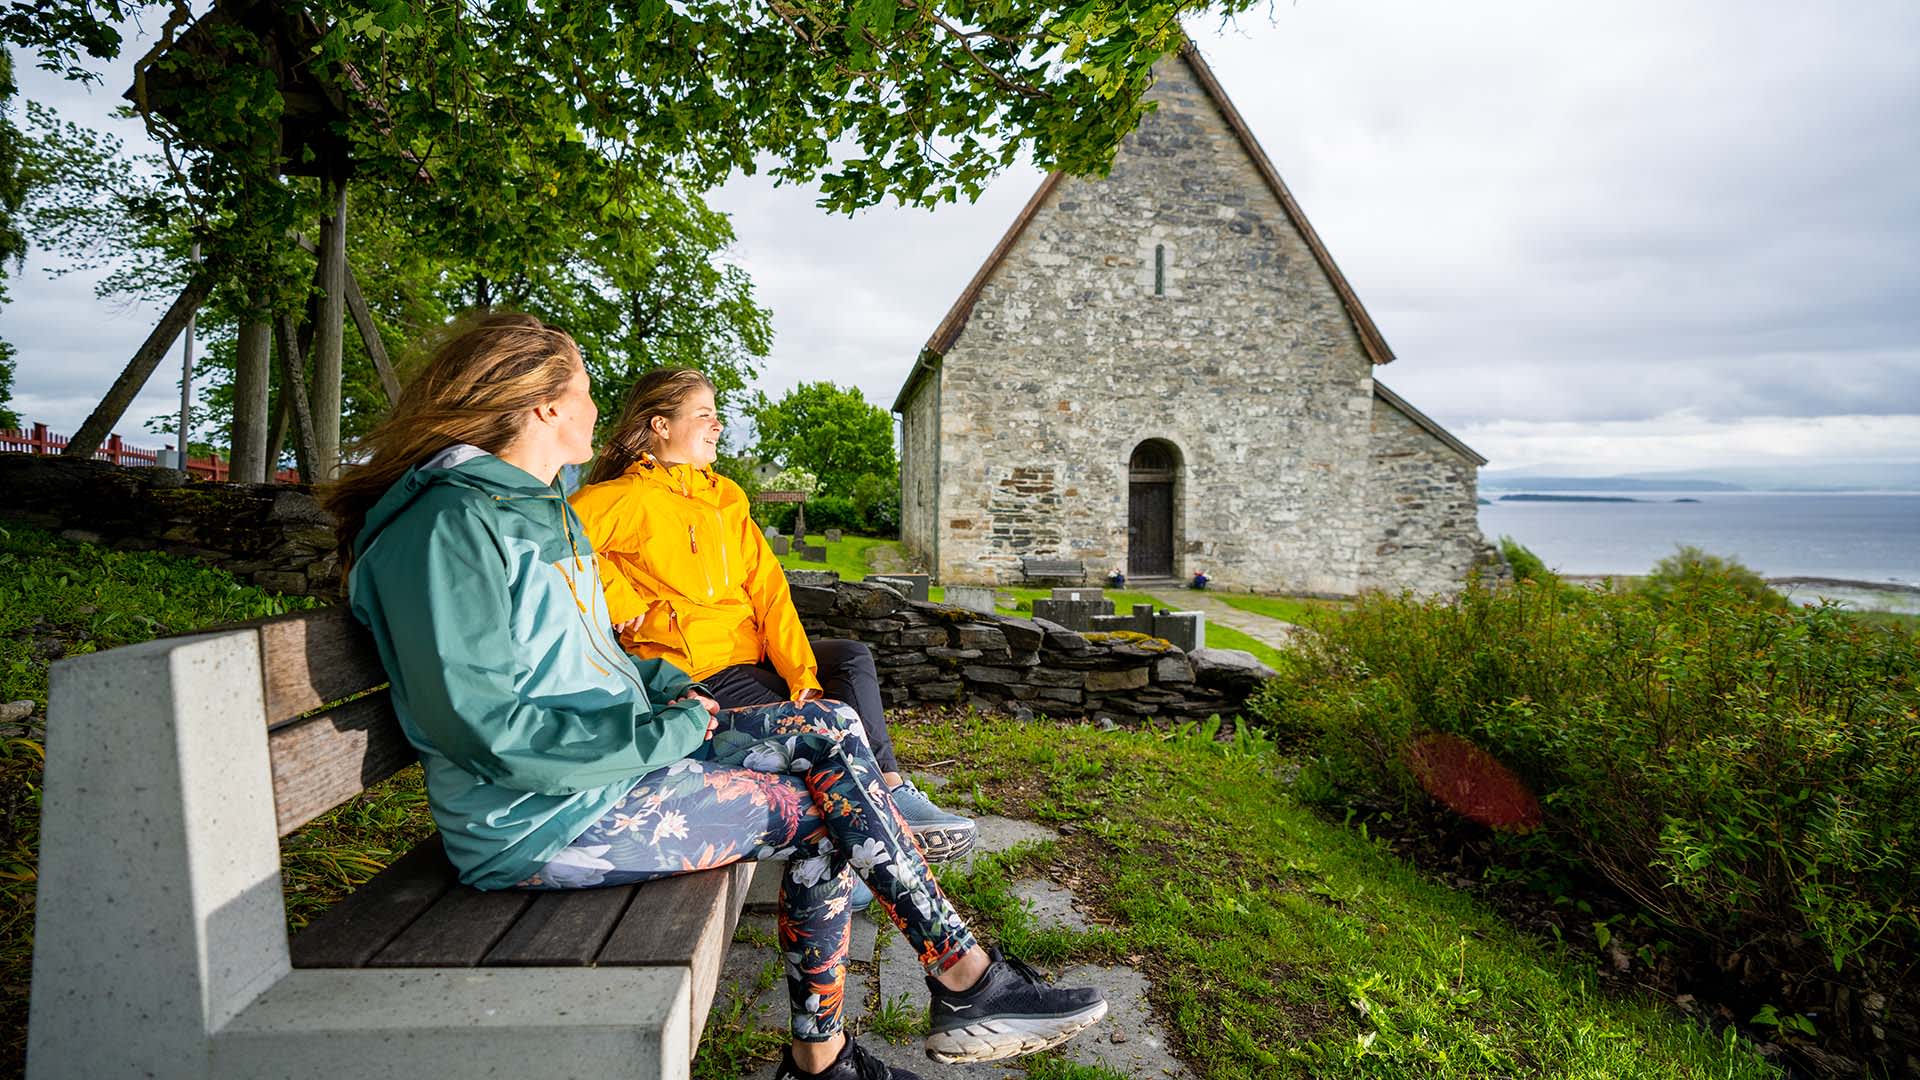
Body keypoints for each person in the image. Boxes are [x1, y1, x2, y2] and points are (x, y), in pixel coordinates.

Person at [322, 314, 1106, 1080]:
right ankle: (924, 1004)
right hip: (542, 820)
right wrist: (662, 736)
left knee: (830, 721)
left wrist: (666, 690)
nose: (600, 409)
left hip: (607, 768)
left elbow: (590, 658)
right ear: (546, 406)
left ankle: (943, 994)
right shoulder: (452, 528)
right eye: (589, 389)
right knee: (826, 817)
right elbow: (485, 731)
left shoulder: (521, 510)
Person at [567, 369, 976, 887]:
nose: (718, 426)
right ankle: (849, 858)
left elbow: (769, 591)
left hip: (748, 656)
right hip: (697, 672)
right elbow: (556, 539)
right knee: (832, 721)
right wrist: (618, 593)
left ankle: (890, 792)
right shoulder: (626, 497)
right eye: (704, 416)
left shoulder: (726, 497)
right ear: (661, 425)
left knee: (848, 660)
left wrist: (802, 674)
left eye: (717, 415)